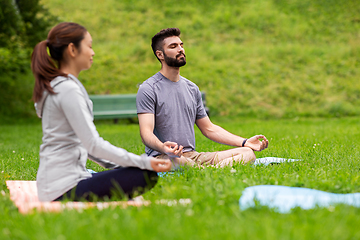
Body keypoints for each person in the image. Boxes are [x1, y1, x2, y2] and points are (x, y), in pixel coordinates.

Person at [31, 22, 171, 202]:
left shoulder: (59, 86)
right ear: (72, 50)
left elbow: (88, 148)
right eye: (89, 46)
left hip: (55, 184)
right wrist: (145, 162)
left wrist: (122, 165)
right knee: (144, 174)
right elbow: (93, 145)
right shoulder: (68, 90)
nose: (93, 52)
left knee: (137, 170)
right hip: (62, 189)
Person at [136, 28, 269, 168]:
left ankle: (208, 171)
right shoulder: (149, 89)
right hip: (165, 157)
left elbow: (209, 128)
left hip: (193, 156)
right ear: (160, 55)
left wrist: (245, 142)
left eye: (181, 45)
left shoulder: (192, 88)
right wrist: (163, 147)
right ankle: (213, 170)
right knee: (178, 161)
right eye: (173, 46)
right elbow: (146, 133)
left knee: (248, 153)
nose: (180, 49)